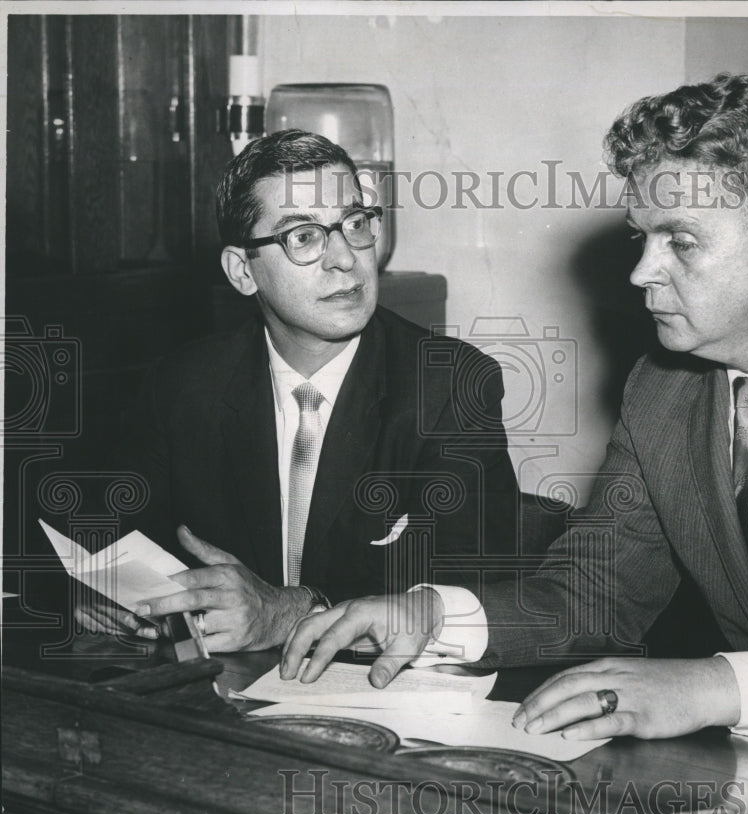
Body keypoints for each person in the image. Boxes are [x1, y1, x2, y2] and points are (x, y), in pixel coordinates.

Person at [281, 75, 748, 741]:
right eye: (642, 237)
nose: (640, 271)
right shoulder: (663, 386)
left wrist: (715, 684)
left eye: (679, 241)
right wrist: (435, 613)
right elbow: (595, 592)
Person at [75, 129, 519, 653]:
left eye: (354, 224)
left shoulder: (449, 386)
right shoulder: (184, 386)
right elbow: (111, 539)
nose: (345, 258)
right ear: (243, 271)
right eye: (304, 236)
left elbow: (478, 595)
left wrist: (289, 611)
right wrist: (105, 595)